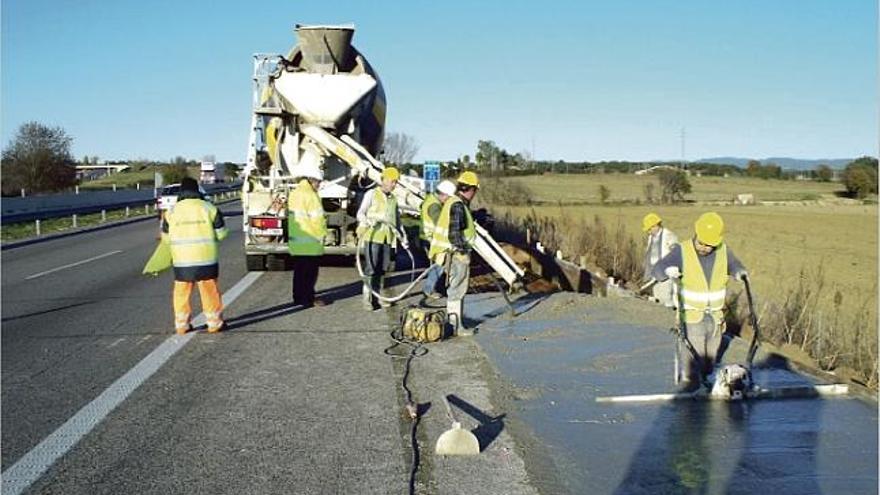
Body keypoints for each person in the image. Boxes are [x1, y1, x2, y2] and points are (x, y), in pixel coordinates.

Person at [652, 212, 748, 387]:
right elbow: (657, 270)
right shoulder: (682, 251)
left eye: (709, 245)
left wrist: (739, 272)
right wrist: (667, 271)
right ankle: (691, 392)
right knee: (693, 360)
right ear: (696, 234)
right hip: (692, 317)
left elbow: (734, 264)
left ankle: (707, 387)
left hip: (716, 319)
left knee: (710, 360)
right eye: (701, 242)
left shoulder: (723, 251)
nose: (704, 247)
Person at [162, 177, 228, 334]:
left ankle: (182, 325)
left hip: (182, 261)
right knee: (209, 291)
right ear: (197, 190)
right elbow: (222, 234)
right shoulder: (209, 208)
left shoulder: (171, 212)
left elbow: (166, 238)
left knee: (181, 293)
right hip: (206, 259)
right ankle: (214, 323)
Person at [430, 171, 480, 336]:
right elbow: (454, 233)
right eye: (475, 191)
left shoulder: (454, 202)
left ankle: (455, 324)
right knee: (457, 290)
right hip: (455, 254)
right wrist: (463, 251)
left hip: (450, 253)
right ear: (471, 189)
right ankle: (456, 326)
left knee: (456, 289)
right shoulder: (458, 205)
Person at [357, 167, 408, 310]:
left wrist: (403, 237)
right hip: (373, 237)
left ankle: (378, 298)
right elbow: (360, 213)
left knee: (381, 270)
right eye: (393, 181)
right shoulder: (372, 194)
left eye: (395, 182)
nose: (394, 185)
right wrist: (367, 221)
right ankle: (367, 299)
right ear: (384, 180)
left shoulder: (393, 199)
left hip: (387, 239)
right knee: (371, 269)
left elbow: (397, 220)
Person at [287, 161, 327, 308]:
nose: (319, 185)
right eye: (319, 182)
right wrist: (322, 235)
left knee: (299, 272)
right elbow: (316, 219)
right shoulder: (311, 195)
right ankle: (308, 299)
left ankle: (298, 298)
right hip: (310, 240)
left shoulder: (295, 193)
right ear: (313, 180)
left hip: (297, 241)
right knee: (310, 274)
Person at [420, 179, 456, 300]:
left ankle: (433, 287)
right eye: (448, 197)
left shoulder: (431, 200)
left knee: (437, 265)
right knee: (438, 265)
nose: (448, 200)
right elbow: (441, 222)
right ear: (443, 194)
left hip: (428, 238)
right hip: (431, 239)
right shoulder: (434, 206)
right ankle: (429, 289)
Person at [642, 212, 679, 307]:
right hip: (654, 275)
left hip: (665, 275)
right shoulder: (651, 238)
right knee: (657, 300)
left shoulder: (669, 236)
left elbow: (676, 253)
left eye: (649, 229)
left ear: (655, 226)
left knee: (665, 300)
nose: (648, 232)